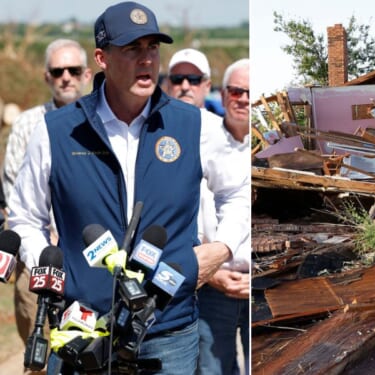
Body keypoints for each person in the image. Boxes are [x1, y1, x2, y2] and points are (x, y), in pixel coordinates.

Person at [7, 2, 249, 374]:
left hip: (169, 331)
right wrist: (53, 269)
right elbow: (24, 216)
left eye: (152, 48)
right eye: (132, 49)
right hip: (81, 328)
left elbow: (238, 192)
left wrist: (221, 248)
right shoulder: (56, 131)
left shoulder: (196, 126)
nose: (146, 60)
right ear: (101, 58)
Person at [2, 38, 92, 358]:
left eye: (73, 70)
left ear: (87, 75)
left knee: (86, 349)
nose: (65, 77)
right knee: (38, 351)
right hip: (37, 256)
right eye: (57, 71)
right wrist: (44, 238)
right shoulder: (28, 124)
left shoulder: (101, 124)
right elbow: (15, 194)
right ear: (47, 77)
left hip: (88, 257)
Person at [196, 58, 250, 375]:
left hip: (261, 287)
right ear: (224, 92)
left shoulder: (271, 151)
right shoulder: (203, 144)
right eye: (236, 91)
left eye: (250, 92)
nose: (243, 98)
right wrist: (210, 272)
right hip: (214, 286)